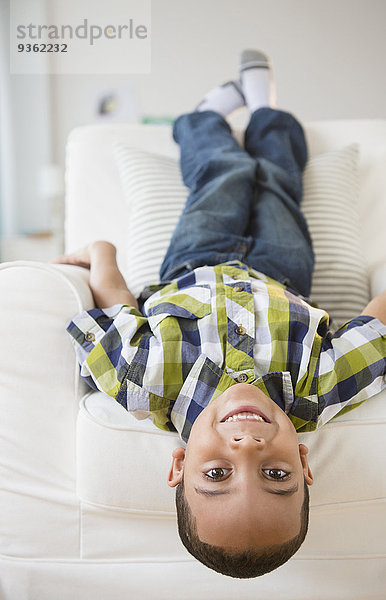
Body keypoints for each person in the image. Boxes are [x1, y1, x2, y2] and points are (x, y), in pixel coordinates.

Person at [55, 50, 386, 578]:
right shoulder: (319, 388)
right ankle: (264, 110)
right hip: (285, 271)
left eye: (217, 472)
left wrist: (101, 253)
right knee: (278, 181)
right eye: (275, 473)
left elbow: (116, 304)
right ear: (303, 464)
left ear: (180, 465)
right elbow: (377, 330)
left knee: (224, 173)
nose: (247, 446)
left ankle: (203, 118)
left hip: (196, 258)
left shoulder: (144, 381)